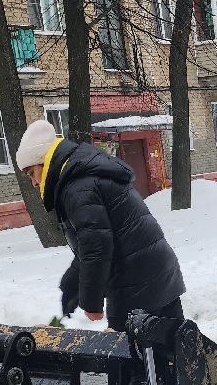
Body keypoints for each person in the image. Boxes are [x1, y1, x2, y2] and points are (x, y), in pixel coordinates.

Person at [14, 120, 184, 331]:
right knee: (178, 347)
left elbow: (97, 247)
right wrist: (72, 286)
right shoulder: (83, 176)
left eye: (32, 173)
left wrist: (91, 302)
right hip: (158, 270)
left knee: (134, 354)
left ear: (45, 162)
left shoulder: (77, 187)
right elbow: (93, 242)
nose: (34, 182)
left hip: (135, 283)